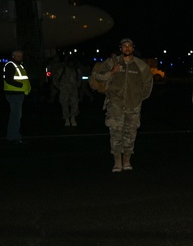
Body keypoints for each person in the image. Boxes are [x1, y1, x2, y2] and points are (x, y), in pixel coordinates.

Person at [91, 38, 153, 172]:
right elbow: (97, 76)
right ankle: (117, 162)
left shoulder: (140, 65)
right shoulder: (112, 62)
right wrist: (112, 72)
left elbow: (148, 82)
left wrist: (140, 97)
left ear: (133, 48)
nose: (127, 48)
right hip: (115, 104)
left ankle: (127, 161)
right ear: (120, 48)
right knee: (115, 133)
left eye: (129, 46)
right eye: (124, 46)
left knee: (130, 134)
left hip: (134, 105)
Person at [3, 49, 31, 144]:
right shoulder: (11, 65)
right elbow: (8, 79)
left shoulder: (19, 65)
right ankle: (14, 136)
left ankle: (13, 136)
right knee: (16, 116)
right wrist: (21, 86)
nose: (20, 57)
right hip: (14, 94)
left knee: (15, 116)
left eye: (21, 56)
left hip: (18, 93)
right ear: (13, 56)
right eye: (18, 56)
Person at [53, 53, 83, 127]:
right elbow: (55, 78)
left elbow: (80, 77)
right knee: (64, 104)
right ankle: (66, 118)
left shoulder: (76, 69)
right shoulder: (62, 69)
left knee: (75, 104)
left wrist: (78, 84)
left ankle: (73, 117)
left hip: (73, 90)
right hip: (64, 90)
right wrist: (59, 86)